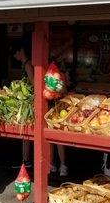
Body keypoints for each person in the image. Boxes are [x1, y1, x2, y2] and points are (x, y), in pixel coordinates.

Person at [11, 45, 68, 176]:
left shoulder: (32, 65)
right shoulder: (52, 72)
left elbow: (34, 83)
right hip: (52, 103)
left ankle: (58, 165)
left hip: (48, 104)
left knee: (53, 136)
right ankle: (55, 165)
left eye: (16, 53)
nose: (15, 57)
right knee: (52, 136)